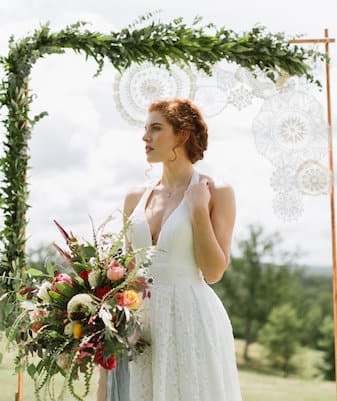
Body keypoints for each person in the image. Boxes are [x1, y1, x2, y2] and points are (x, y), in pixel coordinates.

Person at [98, 98, 242, 401]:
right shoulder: (135, 197)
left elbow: (214, 271)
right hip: (138, 325)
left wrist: (199, 211)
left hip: (189, 320)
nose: (145, 137)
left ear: (182, 134)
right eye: (145, 128)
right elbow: (125, 274)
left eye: (155, 128)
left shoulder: (218, 192)